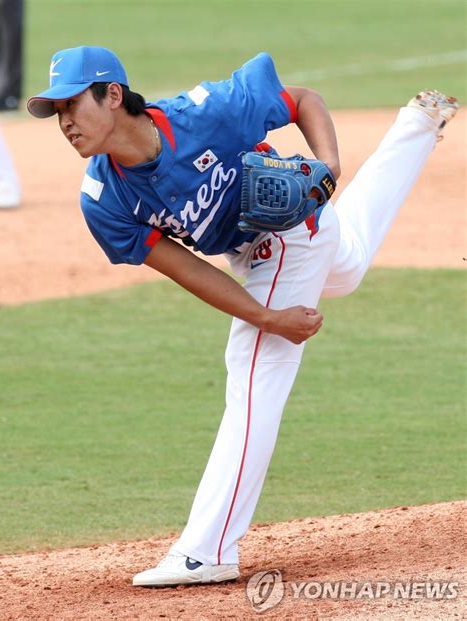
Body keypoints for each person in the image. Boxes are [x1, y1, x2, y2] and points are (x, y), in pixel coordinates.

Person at [27, 46, 458, 587]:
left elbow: (304, 100)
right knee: (345, 270)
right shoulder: (103, 197)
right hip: (256, 249)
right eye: (55, 112)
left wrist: (327, 168)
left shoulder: (207, 113)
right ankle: (417, 126)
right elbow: (184, 268)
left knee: (255, 376)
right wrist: (265, 314)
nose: (64, 122)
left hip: (290, 233)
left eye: (71, 105)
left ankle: (207, 548)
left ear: (113, 95)